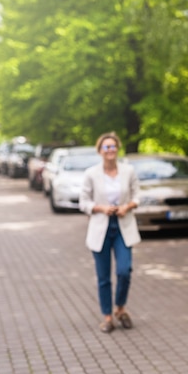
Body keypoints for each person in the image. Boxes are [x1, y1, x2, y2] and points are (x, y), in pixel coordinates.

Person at [79, 132, 141, 333]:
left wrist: (128, 206)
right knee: (103, 277)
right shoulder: (91, 174)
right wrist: (101, 208)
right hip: (101, 227)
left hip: (123, 226)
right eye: (106, 147)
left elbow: (137, 195)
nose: (110, 150)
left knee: (124, 271)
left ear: (117, 149)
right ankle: (107, 317)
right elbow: (84, 202)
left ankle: (120, 308)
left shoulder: (128, 171)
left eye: (113, 146)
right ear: (100, 151)